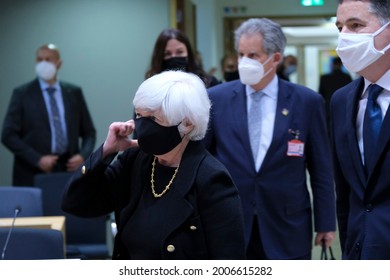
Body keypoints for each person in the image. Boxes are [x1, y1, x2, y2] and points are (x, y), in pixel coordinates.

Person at [61, 70, 246, 260]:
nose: (142, 127)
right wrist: (107, 151)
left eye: (153, 119)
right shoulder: (134, 161)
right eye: (140, 116)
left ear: (188, 123)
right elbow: (76, 203)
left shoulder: (211, 179)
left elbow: (229, 262)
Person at [203, 18, 336, 260]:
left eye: (253, 55)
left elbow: (321, 170)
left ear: (275, 58)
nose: (244, 62)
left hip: (287, 224)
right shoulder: (216, 99)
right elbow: (201, 160)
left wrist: (326, 222)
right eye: (241, 54)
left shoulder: (307, 102)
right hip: (229, 223)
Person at [331, 0, 390, 260]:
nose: (344, 37)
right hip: (359, 250)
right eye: (340, 27)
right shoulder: (341, 100)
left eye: (355, 26)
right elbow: (345, 192)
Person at [1, 44, 96, 186]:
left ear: (59, 63)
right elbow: (8, 135)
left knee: (66, 207)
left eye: (48, 59)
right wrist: (37, 159)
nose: (43, 64)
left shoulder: (73, 92)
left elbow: (89, 132)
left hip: (68, 169)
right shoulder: (22, 94)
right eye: (39, 60)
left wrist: (82, 155)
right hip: (33, 171)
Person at [145, 28, 219, 88]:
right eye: (167, 54)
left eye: (179, 52)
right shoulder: (150, 87)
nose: (174, 57)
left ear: (188, 54)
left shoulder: (209, 83)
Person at [319, 56, 352, 129]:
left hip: (328, 107)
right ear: (341, 64)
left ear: (332, 64)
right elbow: (351, 93)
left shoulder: (324, 78)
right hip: (343, 107)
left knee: (329, 129)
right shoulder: (346, 77)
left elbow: (321, 94)